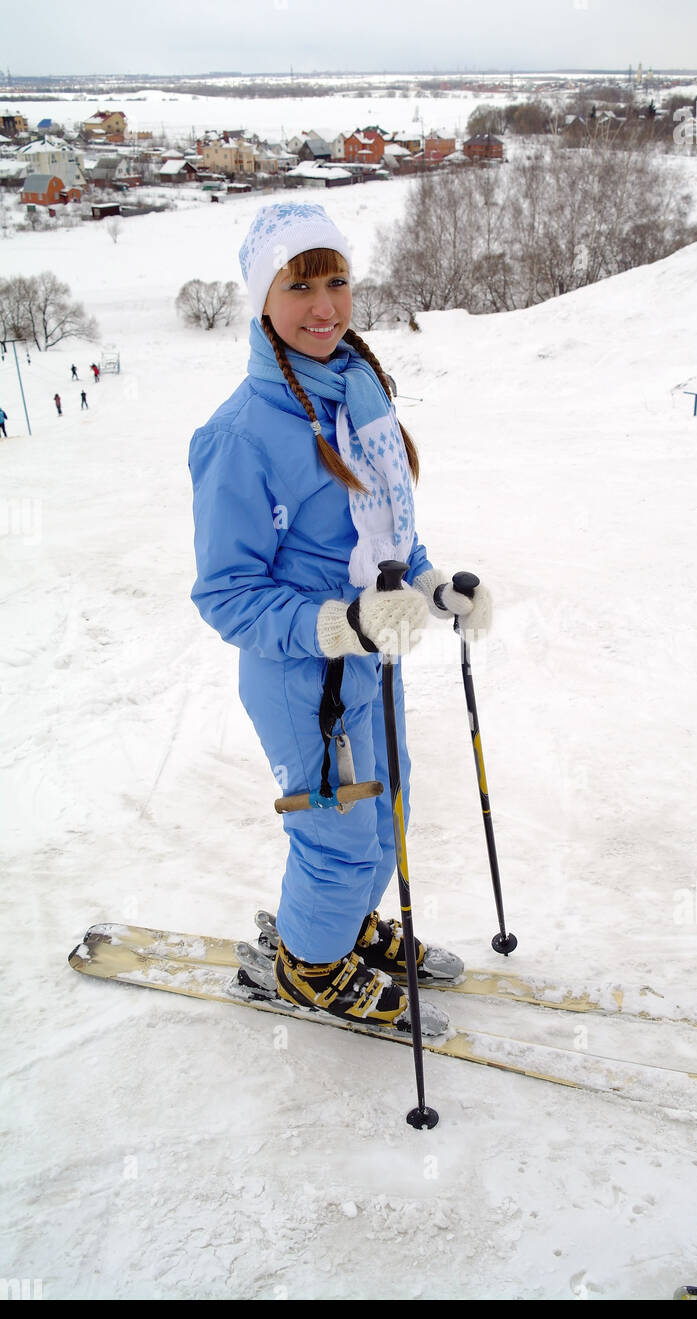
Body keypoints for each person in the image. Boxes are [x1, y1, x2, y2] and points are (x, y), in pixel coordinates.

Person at [188, 202, 492, 1034]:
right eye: (299, 286)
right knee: (339, 837)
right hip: (298, 678)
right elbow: (226, 595)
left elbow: (386, 536)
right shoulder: (241, 433)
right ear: (262, 298)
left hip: (367, 661)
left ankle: (345, 928)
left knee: (384, 810)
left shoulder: (354, 391)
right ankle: (309, 967)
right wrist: (341, 625)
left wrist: (431, 587)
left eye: (336, 281)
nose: (324, 306)